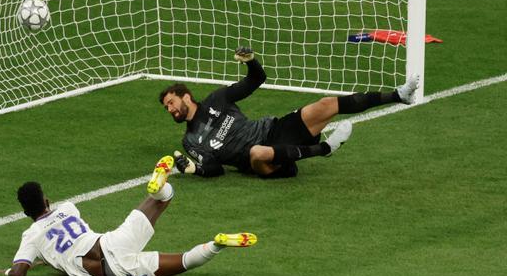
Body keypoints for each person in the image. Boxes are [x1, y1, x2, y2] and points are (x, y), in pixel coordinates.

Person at [159, 46, 419, 179]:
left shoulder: (218, 98)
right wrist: (194, 168)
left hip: (274, 130)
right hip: (261, 164)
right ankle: (325, 149)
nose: (170, 109)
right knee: (256, 151)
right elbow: (216, 168)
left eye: (171, 102)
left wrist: (251, 62)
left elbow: (257, 79)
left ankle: (398, 95)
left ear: (186, 96)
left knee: (326, 104)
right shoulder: (190, 141)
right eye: (167, 107)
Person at [1, 156, 257, 276]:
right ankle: (159, 188)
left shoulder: (31, 235)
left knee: (185, 261)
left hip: (115, 269)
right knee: (161, 199)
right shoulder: (67, 208)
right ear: (47, 201)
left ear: (26, 213)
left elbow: (19, 273)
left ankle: (217, 244)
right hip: (113, 240)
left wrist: (12, 269)